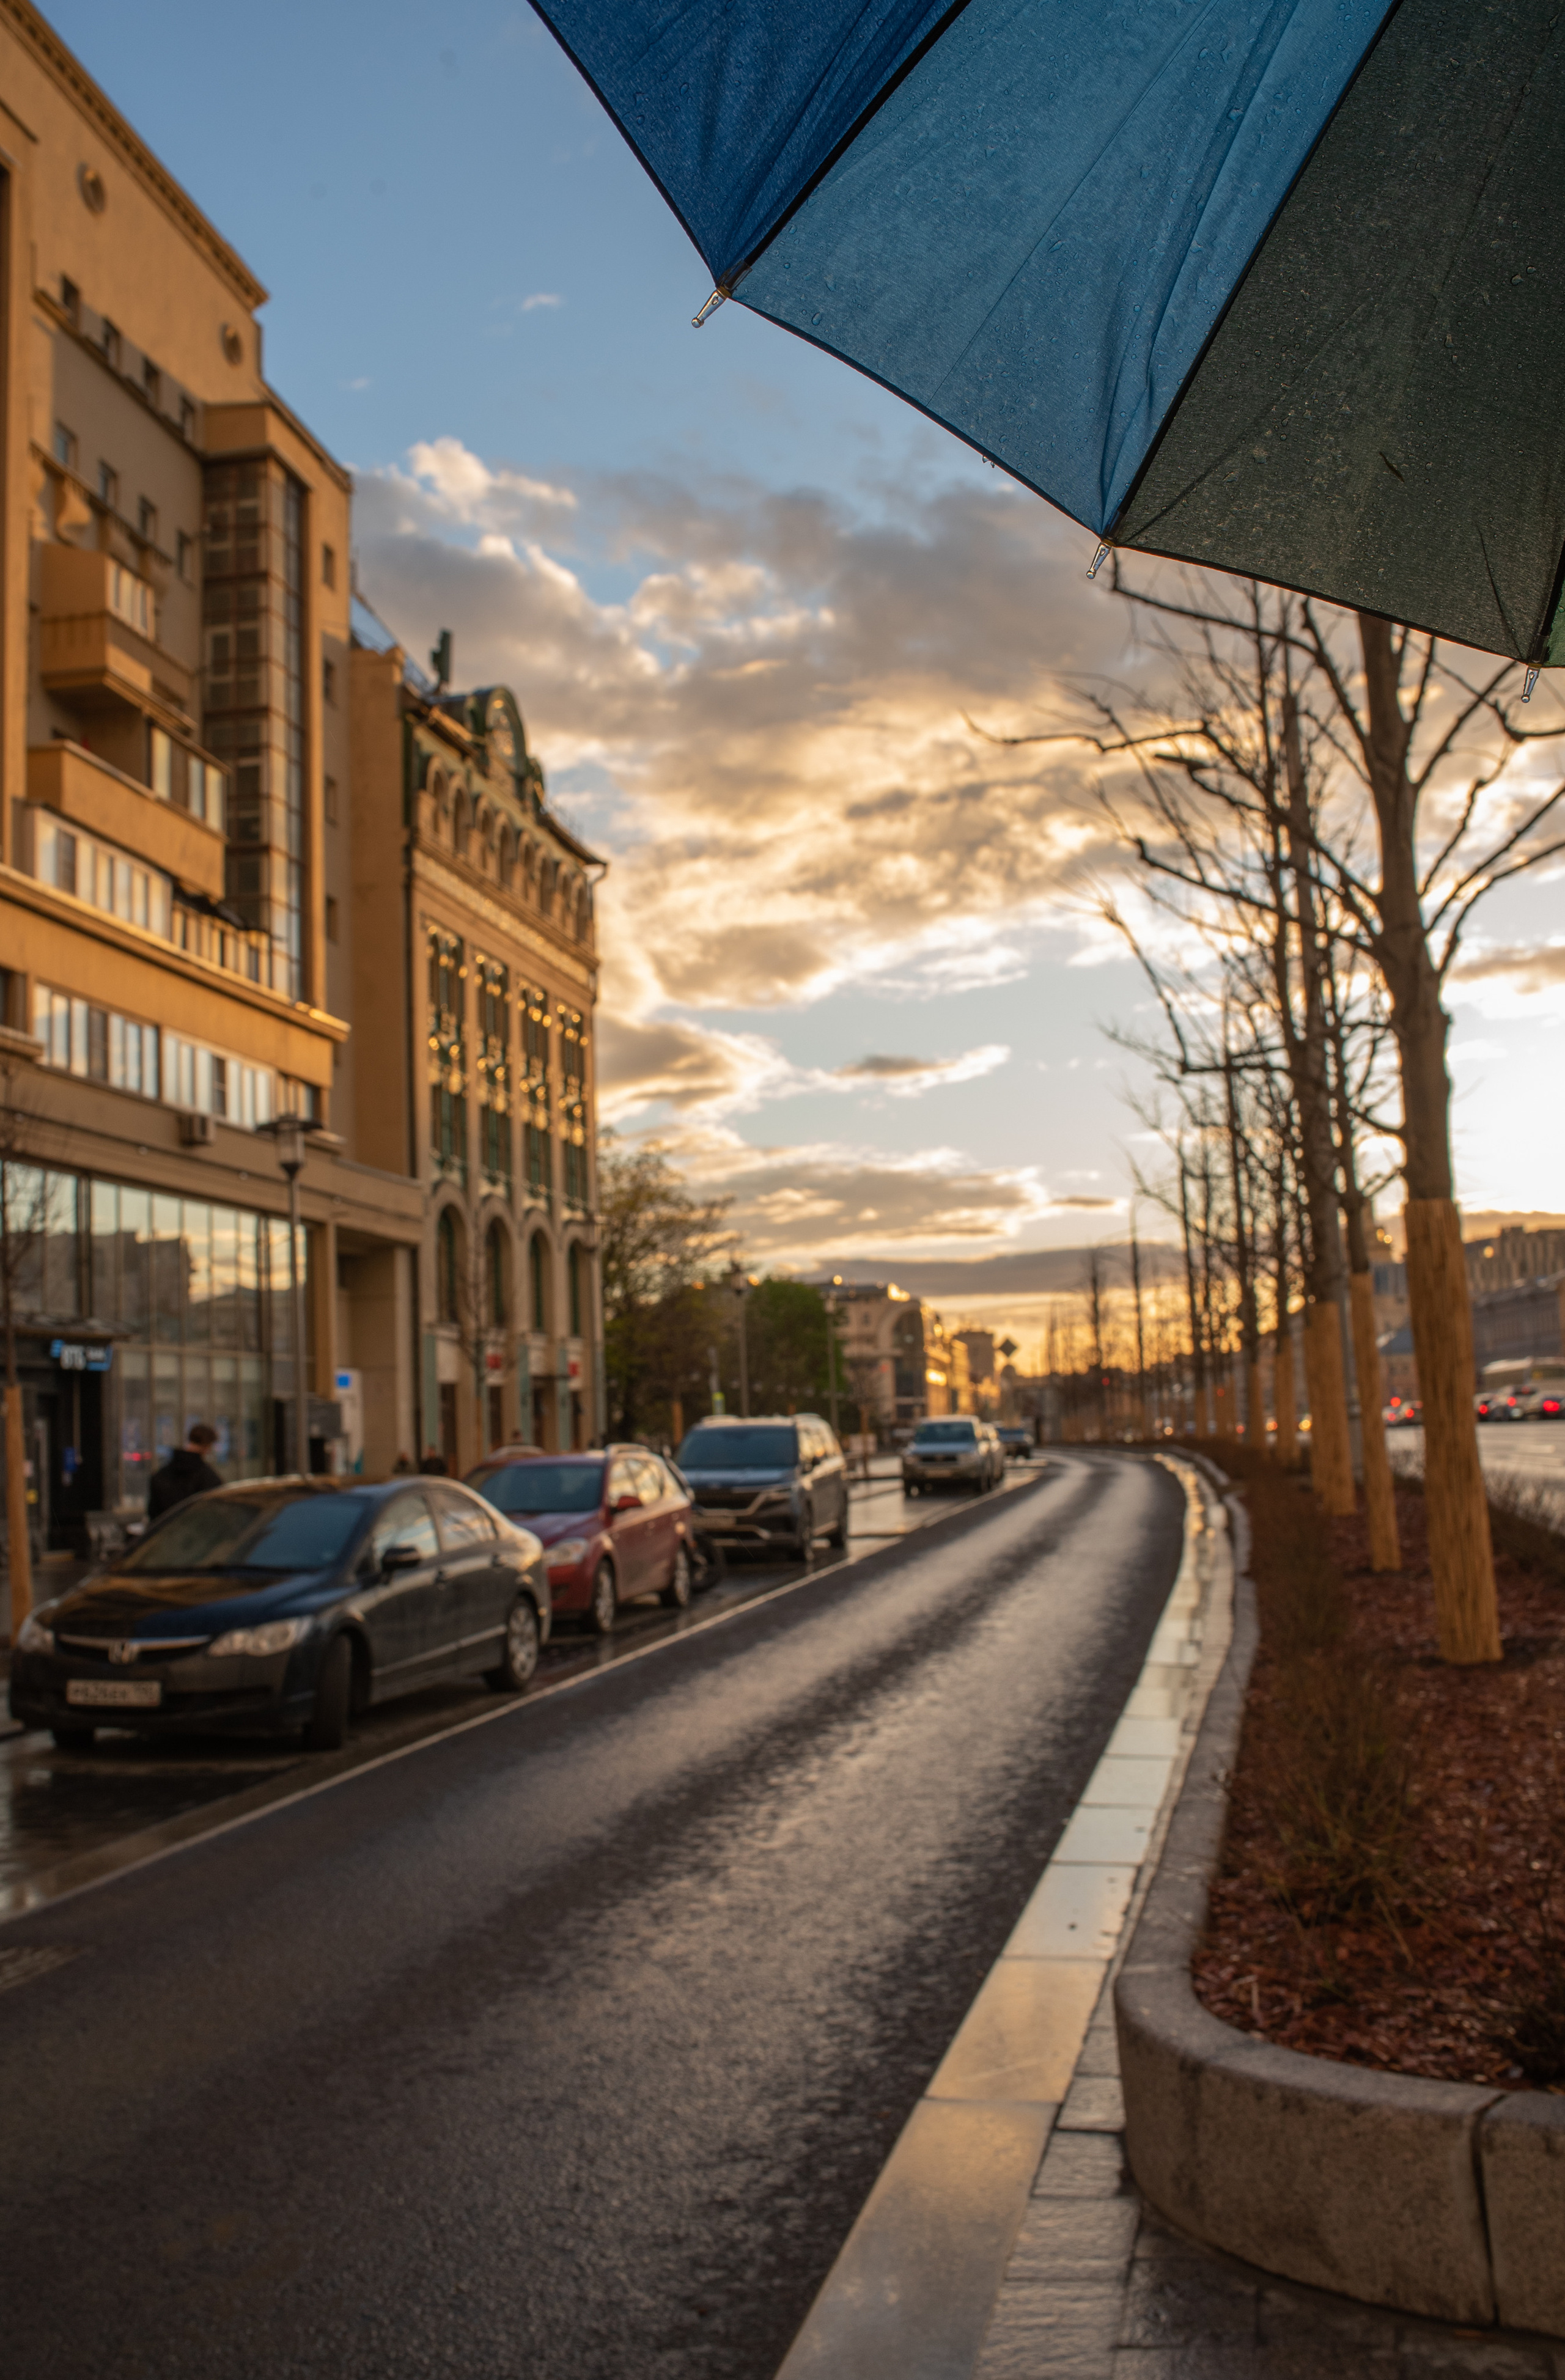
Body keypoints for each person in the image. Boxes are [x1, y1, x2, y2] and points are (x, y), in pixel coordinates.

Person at [147, 1423, 223, 1519]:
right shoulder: (209, 1478)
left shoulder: (160, 1475)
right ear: (207, 1447)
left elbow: (153, 1512)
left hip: (167, 1528)